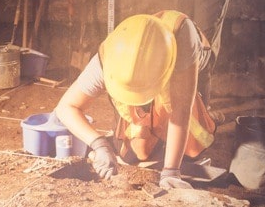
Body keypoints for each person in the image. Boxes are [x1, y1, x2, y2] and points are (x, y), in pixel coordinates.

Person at [54, 11, 216, 190]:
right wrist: (100, 144)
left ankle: (208, 121)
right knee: (138, 152)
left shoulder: (183, 40)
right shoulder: (110, 58)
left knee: (193, 141)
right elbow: (66, 107)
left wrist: (171, 171)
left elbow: (181, 111)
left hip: (192, 62)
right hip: (152, 66)